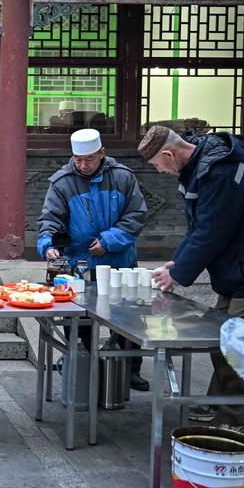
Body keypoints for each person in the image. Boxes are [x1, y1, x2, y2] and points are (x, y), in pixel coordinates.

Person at [138, 124, 244, 433]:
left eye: (158, 166)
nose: (162, 172)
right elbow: (198, 228)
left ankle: (233, 420)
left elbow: (212, 232)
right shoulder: (201, 167)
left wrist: (177, 275)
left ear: (168, 154)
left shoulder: (221, 173)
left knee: (238, 344)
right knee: (219, 337)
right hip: (236, 268)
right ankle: (217, 403)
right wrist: (176, 262)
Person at [37, 128, 150, 390]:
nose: (82, 165)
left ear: (102, 153)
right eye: (78, 159)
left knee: (126, 316)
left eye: (89, 159)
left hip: (119, 260)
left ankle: (129, 369)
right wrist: (47, 245)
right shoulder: (62, 182)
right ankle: (82, 363)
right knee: (79, 318)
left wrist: (110, 241)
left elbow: (136, 215)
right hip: (80, 261)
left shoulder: (122, 177)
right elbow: (49, 220)